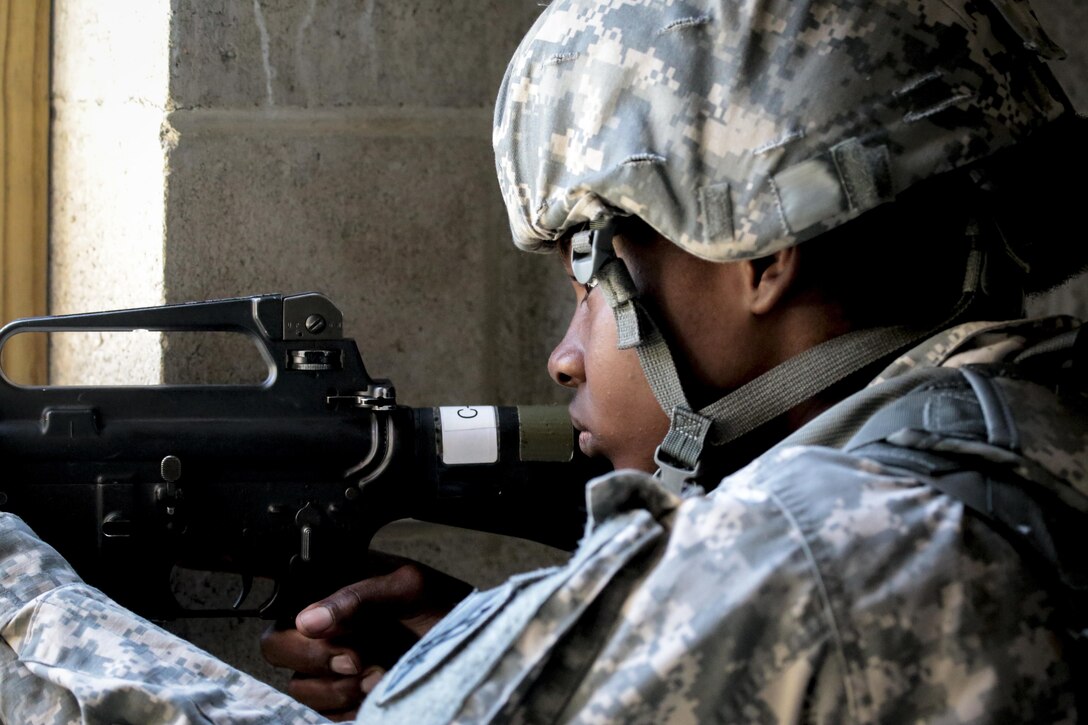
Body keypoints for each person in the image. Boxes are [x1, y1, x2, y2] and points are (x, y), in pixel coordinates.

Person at [1, 0, 1085, 722]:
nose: (563, 356)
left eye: (586, 276)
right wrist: (532, 655)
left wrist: (19, 598)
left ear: (758, 255)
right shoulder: (1029, 438)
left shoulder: (821, 546)